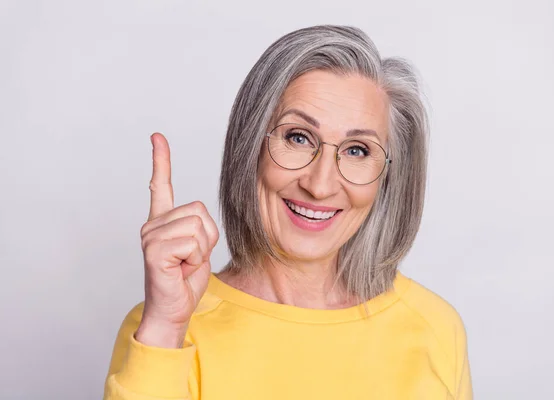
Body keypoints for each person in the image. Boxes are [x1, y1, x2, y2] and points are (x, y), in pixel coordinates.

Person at [104, 25, 473, 400]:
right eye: (298, 137)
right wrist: (165, 329)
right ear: (251, 147)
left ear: (389, 177)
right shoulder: (163, 331)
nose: (320, 184)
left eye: (358, 150)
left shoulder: (437, 329)